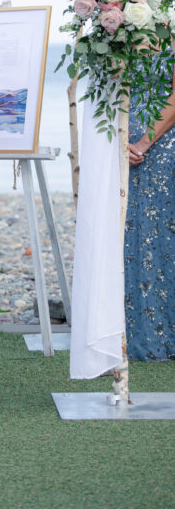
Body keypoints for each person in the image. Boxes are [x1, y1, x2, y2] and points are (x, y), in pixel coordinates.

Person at [125, 52, 175, 361]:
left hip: (160, 148)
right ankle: (130, 333)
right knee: (132, 238)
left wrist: (143, 143)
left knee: (162, 237)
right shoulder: (114, 35)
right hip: (119, 147)